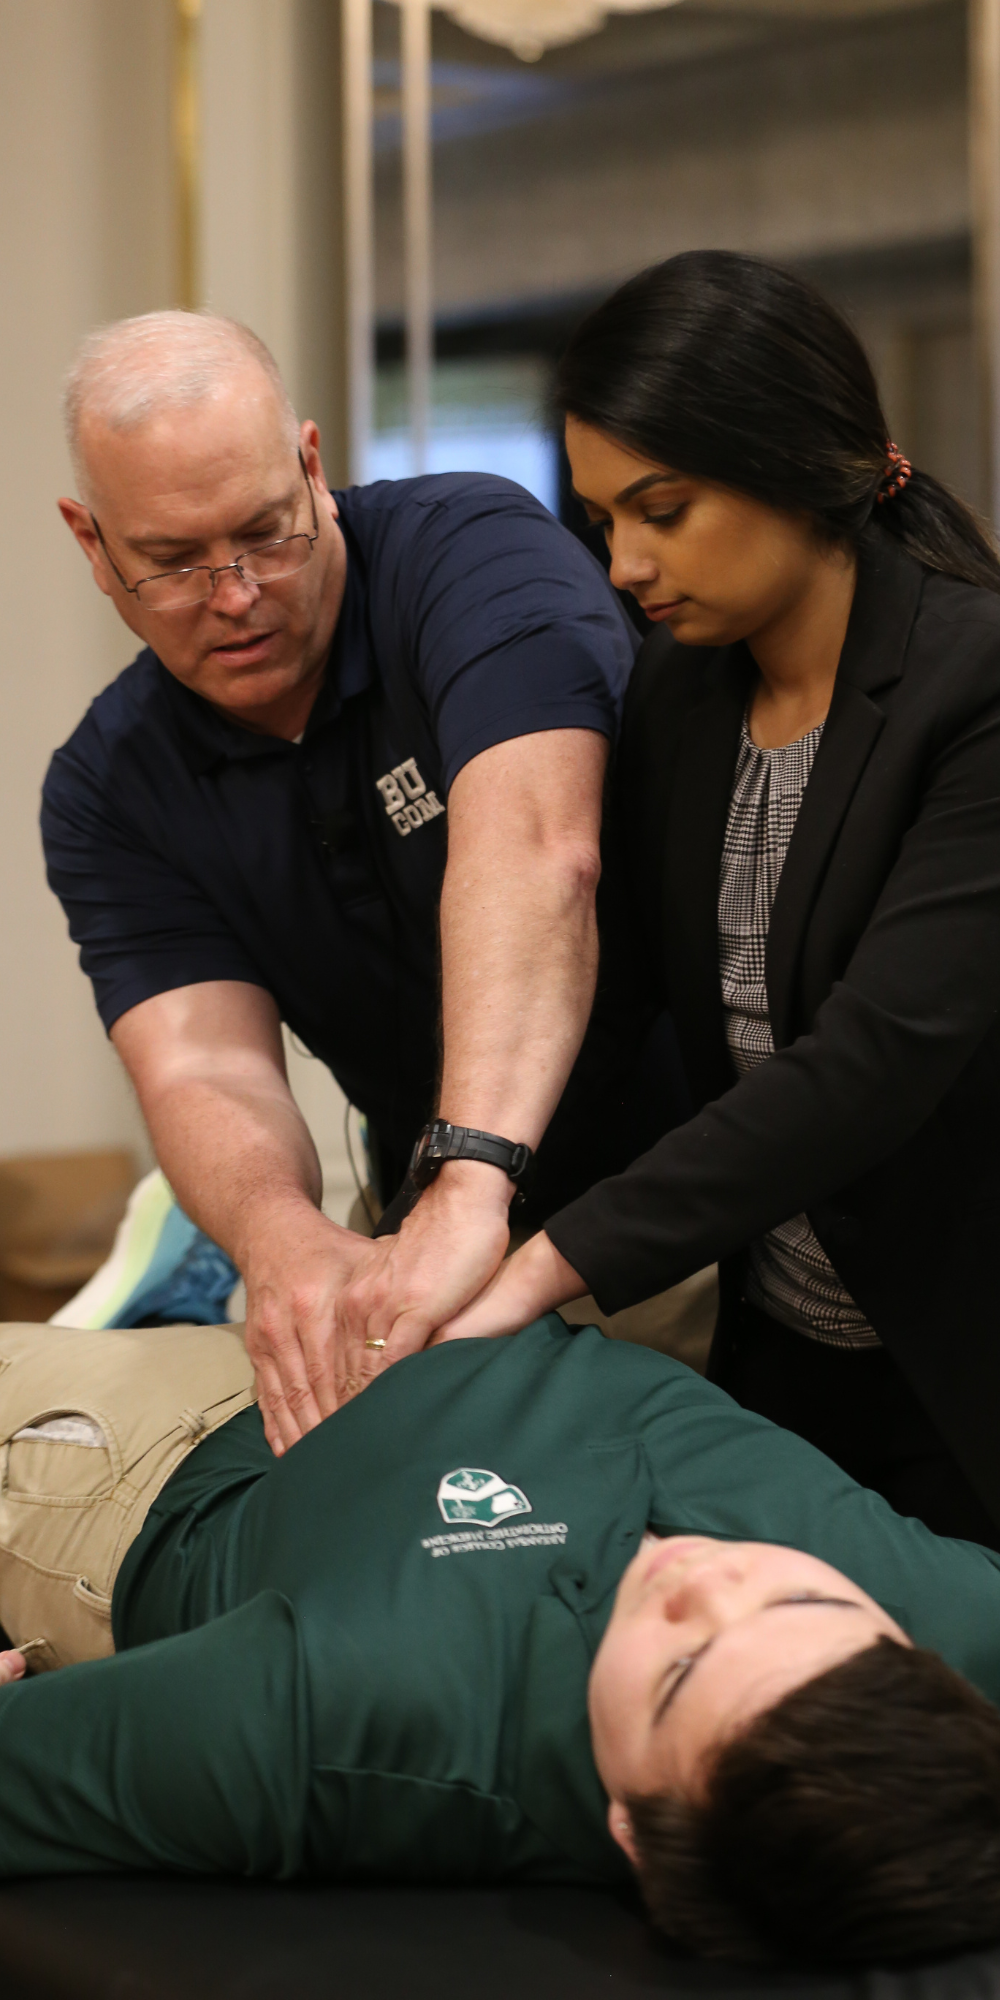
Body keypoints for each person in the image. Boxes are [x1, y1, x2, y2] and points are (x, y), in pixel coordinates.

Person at [439, 251, 1000, 1550]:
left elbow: (864, 1067)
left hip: (965, 1358)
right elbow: (612, 998)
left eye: (664, 509)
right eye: (602, 522)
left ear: (795, 459)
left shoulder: (972, 689)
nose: (626, 564)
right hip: (787, 1355)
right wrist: (460, 1193)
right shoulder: (681, 694)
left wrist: (543, 1267)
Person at [44, 310, 644, 1453]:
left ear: (313, 468)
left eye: (265, 533)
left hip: (683, 1187)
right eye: (172, 561)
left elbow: (534, 850)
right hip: (421, 1222)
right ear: (92, 542)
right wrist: (281, 1240)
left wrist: (474, 1178)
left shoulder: (471, 554)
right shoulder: (111, 785)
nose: (236, 593)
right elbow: (204, 1060)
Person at [0, 1314, 999, 1968]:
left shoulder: (337, 1705)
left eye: (681, 1667)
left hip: (183, 1441)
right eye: (800, 1607)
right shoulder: (945, 1624)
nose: (706, 1577)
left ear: (632, 1828)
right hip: (512, 1287)